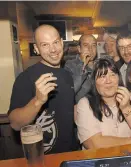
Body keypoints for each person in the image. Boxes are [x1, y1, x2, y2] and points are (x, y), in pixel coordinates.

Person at [8, 25, 78, 154]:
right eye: (45, 45)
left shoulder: (67, 75)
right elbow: (15, 123)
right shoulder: (26, 78)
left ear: (62, 43)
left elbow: (70, 111)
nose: (53, 50)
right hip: (43, 157)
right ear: (36, 49)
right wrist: (38, 101)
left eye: (56, 42)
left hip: (70, 153)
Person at [75, 58, 131, 149]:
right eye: (102, 76)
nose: (108, 81)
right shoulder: (85, 104)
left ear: (118, 78)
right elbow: (94, 144)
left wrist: (126, 108)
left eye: (112, 75)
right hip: (100, 160)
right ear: (94, 82)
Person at [64, 34, 97, 103]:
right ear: (79, 48)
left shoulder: (99, 65)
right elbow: (69, 92)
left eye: (93, 45)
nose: (90, 49)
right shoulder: (70, 65)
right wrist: (83, 65)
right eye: (86, 45)